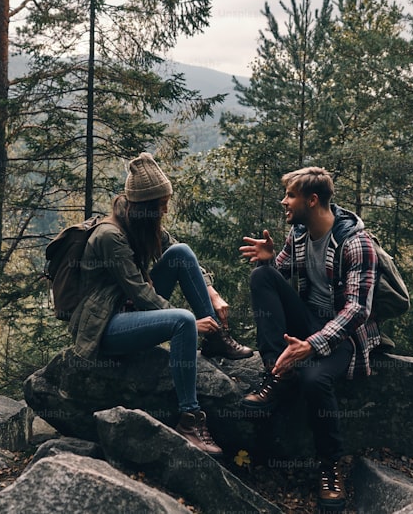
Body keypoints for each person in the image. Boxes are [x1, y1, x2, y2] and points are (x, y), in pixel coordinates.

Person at [70, 152, 254, 456]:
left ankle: (216, 339)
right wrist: (189, 325)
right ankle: (189, 418)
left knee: (181, 252)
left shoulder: (141, 223)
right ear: (145, 205)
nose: (166, 209)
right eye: (161, 204)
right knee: (181, 320)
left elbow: (175, 252)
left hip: (130, 310)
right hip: (106, 326)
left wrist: (212, 292)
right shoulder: (110, 236)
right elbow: (141, 292)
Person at [239, 166, 380, 511]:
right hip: (307, 319)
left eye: (290, 195)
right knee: (261, 276)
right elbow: (283, 274)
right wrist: (271, 259)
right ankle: (277, 372)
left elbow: (357, 311)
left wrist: (312, 346)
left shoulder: (356, 243)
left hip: (342, 335)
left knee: (315, 380)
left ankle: (330, 465)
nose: (283, 201)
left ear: (312, 200)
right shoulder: (299, 234)